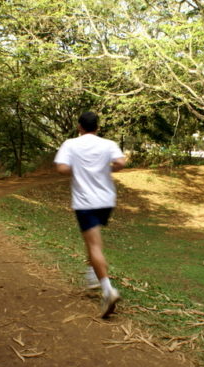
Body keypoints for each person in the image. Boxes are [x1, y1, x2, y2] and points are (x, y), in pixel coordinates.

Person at [54, 111, 126, 318]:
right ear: (97, 127)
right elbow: (121, 163)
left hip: (86, 201)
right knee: (93, 241)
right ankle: (92, 275)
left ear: (79, 127)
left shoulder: (70, 144)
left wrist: (79, 169)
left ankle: (108, 291)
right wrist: (106, 169)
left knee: (94, 244)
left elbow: (61, 168)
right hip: (106, 201)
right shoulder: (108, 144)